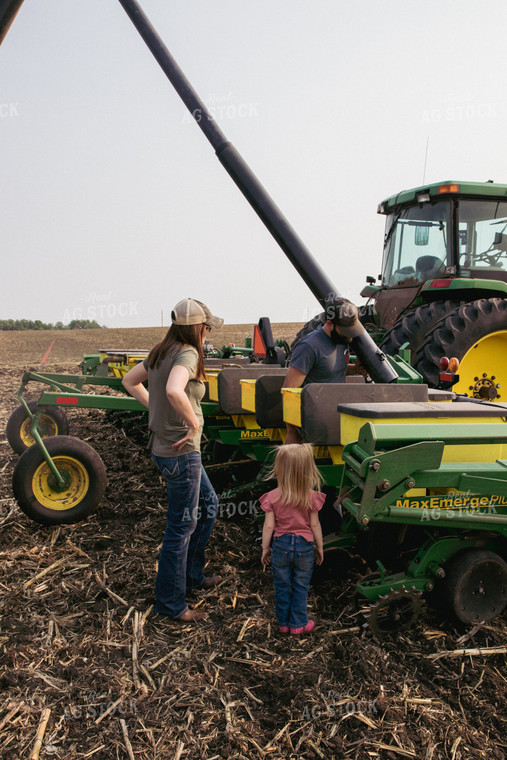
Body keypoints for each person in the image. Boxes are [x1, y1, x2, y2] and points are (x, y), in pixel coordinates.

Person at [122, 298, 224, 622]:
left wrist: (155, 408)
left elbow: (129, 380)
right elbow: (173, 389)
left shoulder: (159, 350)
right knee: (180, 527)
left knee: (209, 505)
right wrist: (193, 423)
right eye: (207, 328)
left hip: (165, 449)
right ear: (198, 328)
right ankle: (171, 604)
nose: (208, 334)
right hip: (182, 453)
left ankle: (192, 576)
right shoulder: (188, 353)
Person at [260, 444, 325, 635]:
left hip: (280, 546)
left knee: (281, 586)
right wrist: (320, 547)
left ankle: (283, 624)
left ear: (279, 468)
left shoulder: (272, 497)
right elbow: (315, 526)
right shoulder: (312, 497)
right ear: (308, 470)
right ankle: (298, 625)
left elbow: (269, 526)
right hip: (304, 547)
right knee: (301, 587)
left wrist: (265, 548)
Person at [283, 298, 357, 444]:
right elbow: (289, 391)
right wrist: (292, 432)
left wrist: (355, 370)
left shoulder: (342, 340)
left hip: (339, 416)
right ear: (329, 323)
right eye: (346, 331)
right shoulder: (309, 347)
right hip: (316, 420)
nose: (350, 335)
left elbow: (328, 370)